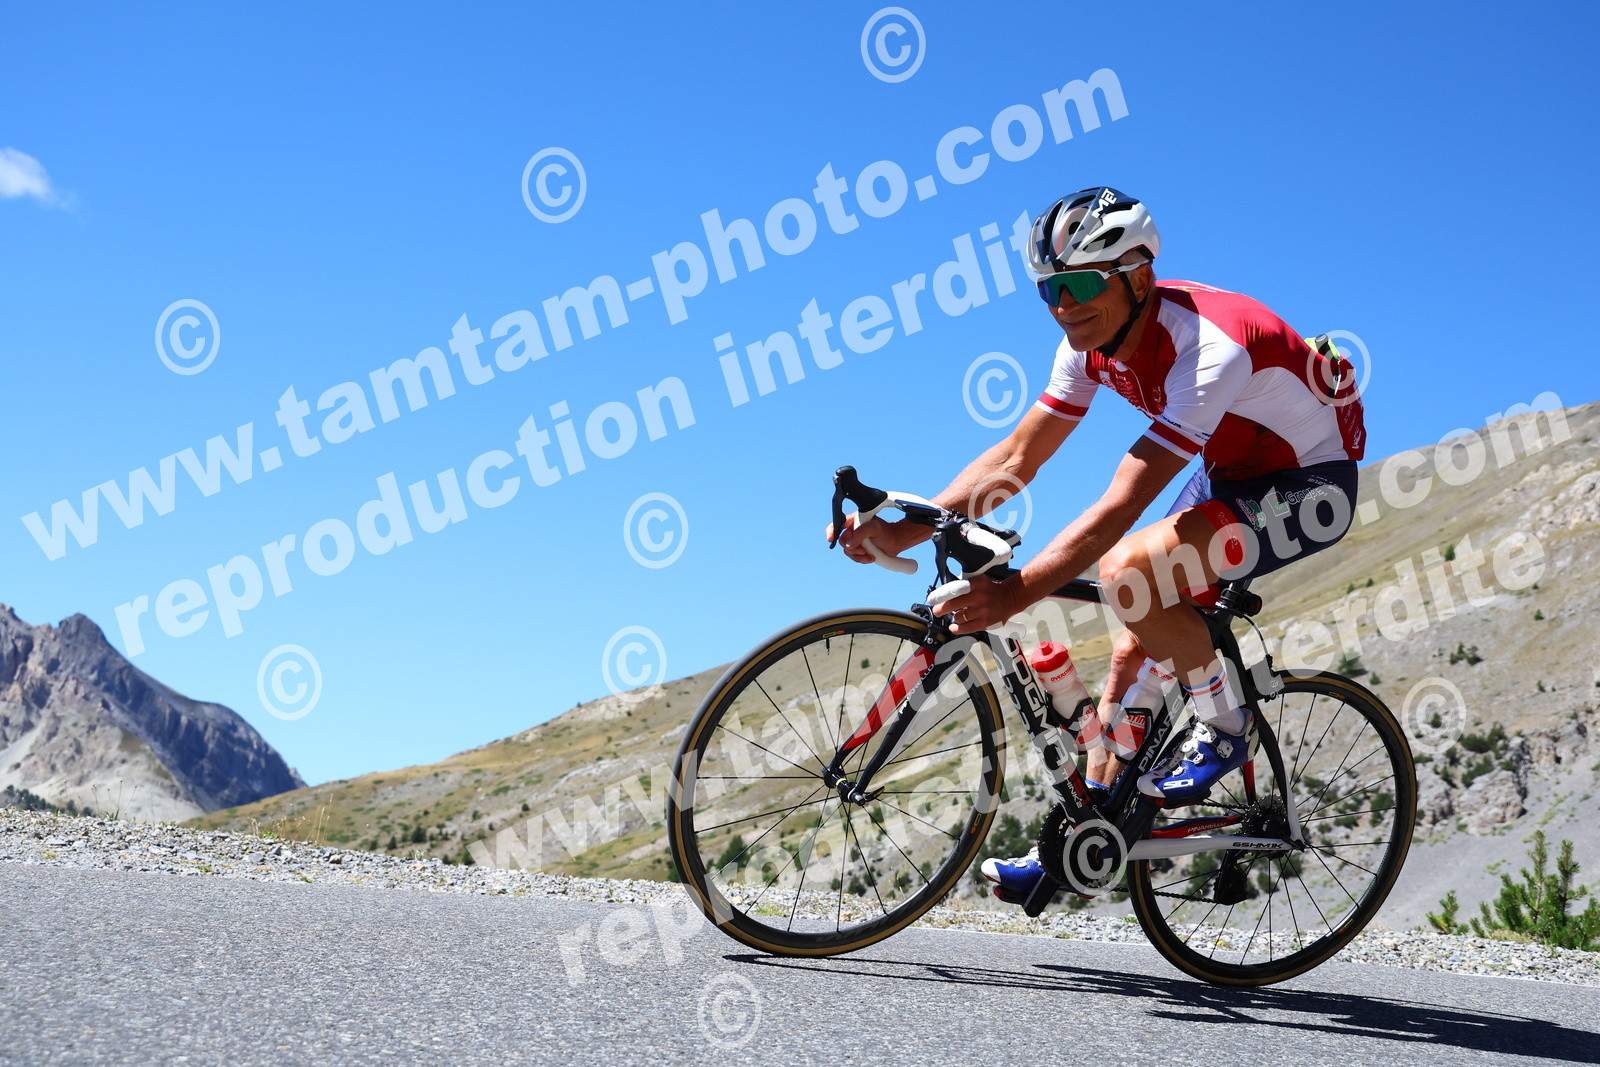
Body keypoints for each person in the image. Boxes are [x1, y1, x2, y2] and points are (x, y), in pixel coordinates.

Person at [829, 186, 1366, 902]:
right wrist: (906, 526)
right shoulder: (1087, 347)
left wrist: (1017, 593)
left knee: (1129, 574)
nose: (1062, 306)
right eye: (1048, 290)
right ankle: (1082, 837)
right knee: (1132, 649)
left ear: (1138, 277)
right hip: (1231, 475)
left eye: (1079, 285)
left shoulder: (1209, 347)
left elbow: (1121, 504)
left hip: (1311, 486)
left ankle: (1225, 725)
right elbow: (1017, 457)